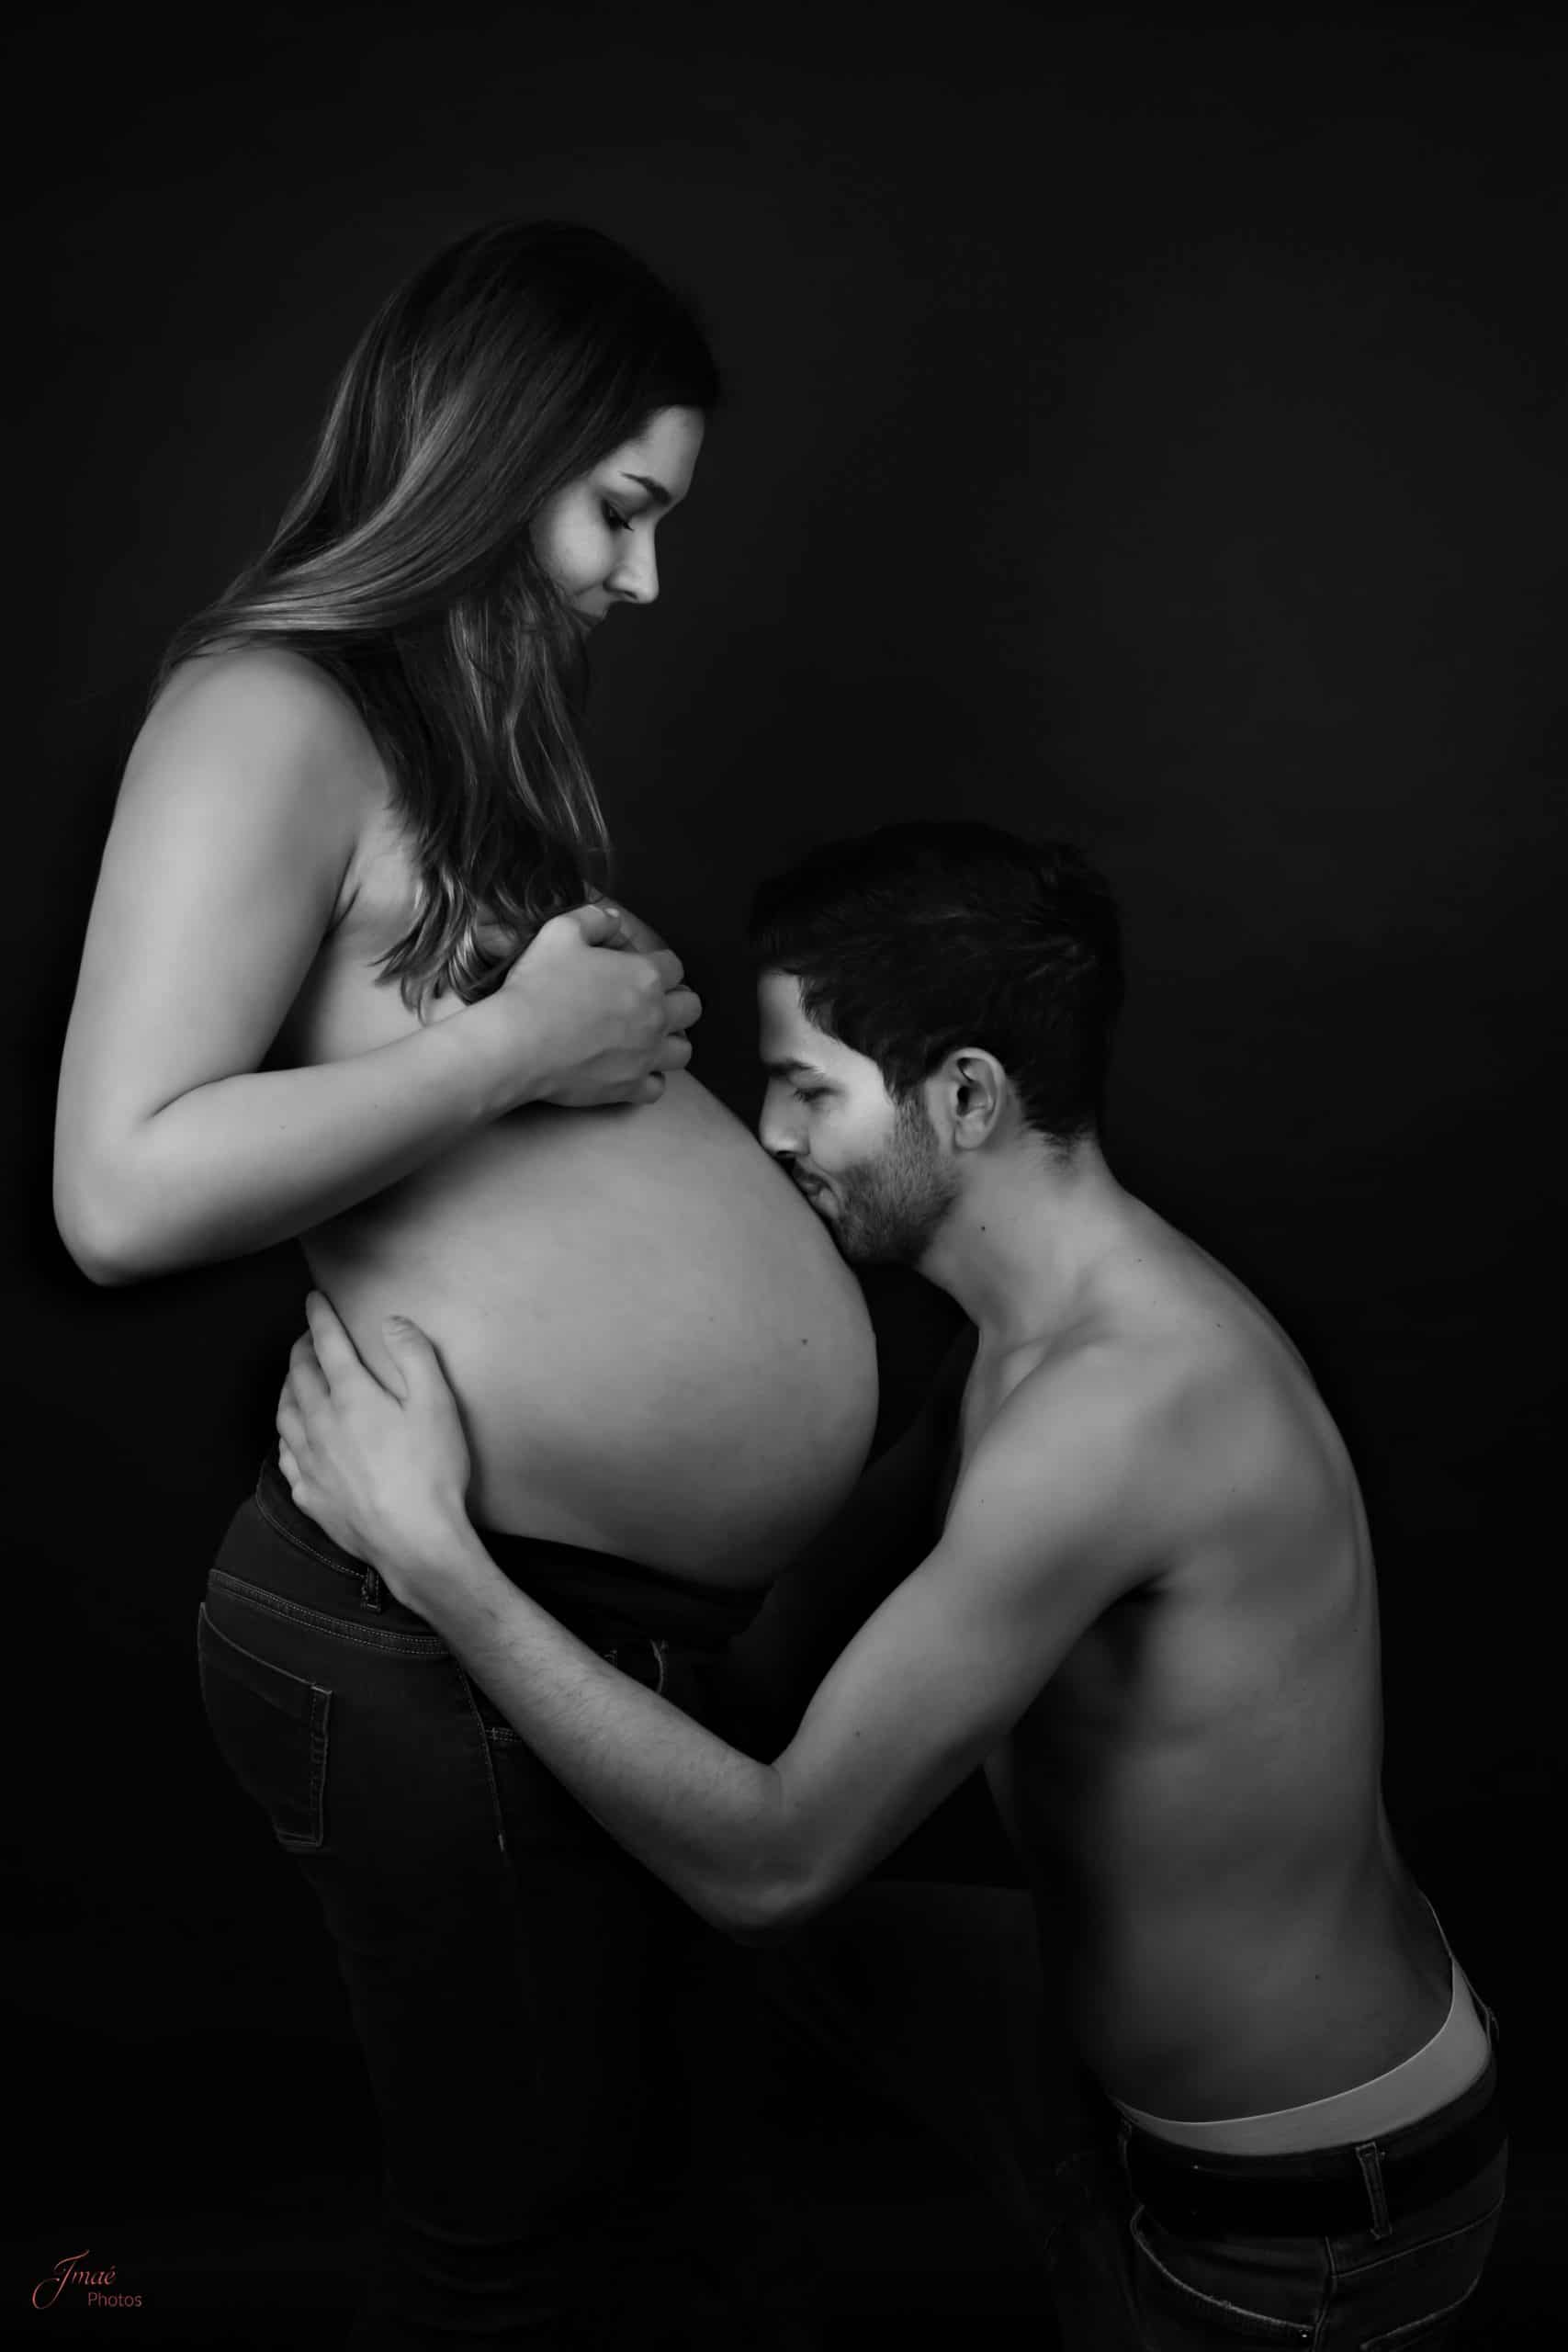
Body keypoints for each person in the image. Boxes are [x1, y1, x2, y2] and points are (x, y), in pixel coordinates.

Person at [276, 820, 1508, 2348]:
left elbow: (775, 1858)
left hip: (1305, 2213)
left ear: (968, 1098)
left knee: (727, 1907)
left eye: (809, 1087)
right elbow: (772, 1664)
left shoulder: (1119, 1414)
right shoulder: (1019, 1343)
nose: (773, 1133)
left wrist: (431, 1552)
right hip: (1135, 2089)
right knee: (624, 1942)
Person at [54, 220, 878, 2347]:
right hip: (416, 1630)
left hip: (614, 1637)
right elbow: (119, 1187)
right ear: (494, 447)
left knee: (685, 2227)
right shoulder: (268, 709)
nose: (642, 579)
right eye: (623, 507)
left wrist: (600, 1046)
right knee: (518, 2255)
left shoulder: (463, 741)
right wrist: (518, 1046)